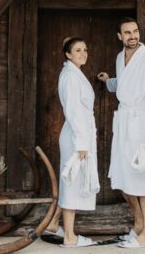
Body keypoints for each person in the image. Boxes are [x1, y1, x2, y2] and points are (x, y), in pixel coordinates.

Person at [97, 17, 145, 249]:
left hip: (142, 127)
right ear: (119, 36)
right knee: (122, 178)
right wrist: (109, 82)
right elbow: (126, 84)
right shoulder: (120, 58)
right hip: (123, 126)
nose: (133, 36)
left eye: (135, 31)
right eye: (127, 32)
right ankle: (139, 223)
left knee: (143, 180)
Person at [45, 37, 99, 248]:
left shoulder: (75, 73)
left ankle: (53, 223)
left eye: (85, 49)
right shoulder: (69, 76)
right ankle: (69, 237)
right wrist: (82, 143)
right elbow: (73, 111)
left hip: (82, 134)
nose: (83, 53)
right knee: (72, 184)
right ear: (68, 54)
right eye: (77, 50)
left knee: (72, 181)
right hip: (77, 137)